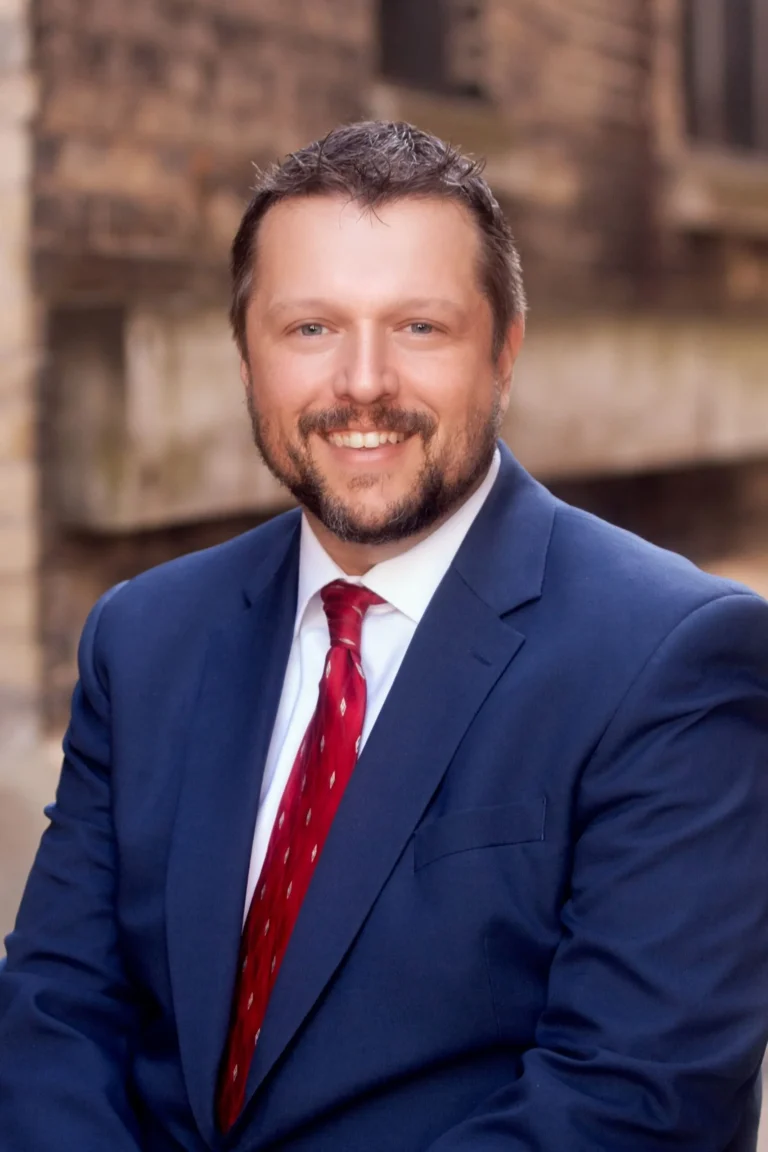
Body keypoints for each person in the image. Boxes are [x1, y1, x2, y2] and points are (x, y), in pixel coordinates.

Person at [1, 120, 767, 1152]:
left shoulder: (673, 661)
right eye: (310, 328)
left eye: (419, 328)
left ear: (504, 351)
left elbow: (630, 1106)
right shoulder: (142, 640)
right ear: (247, 356)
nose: (362, 383)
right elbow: (54, 1012)